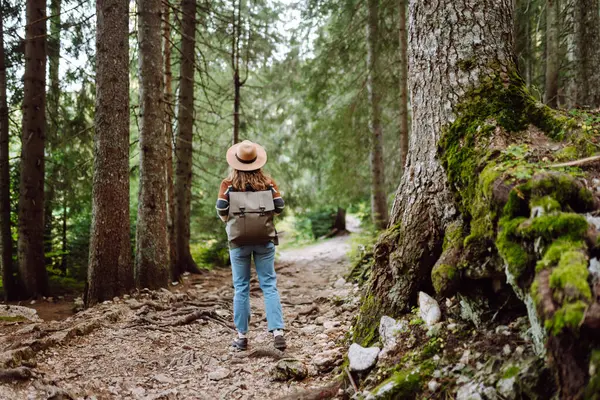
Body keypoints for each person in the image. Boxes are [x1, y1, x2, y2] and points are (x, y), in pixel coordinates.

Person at [216, 140, 286, 351]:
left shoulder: (228, 184)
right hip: (264, 239)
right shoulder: (268, 183)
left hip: (238, 242)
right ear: (257, 162)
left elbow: (221, 209)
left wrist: (231, 221)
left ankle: (242, 336)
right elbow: (280, 206)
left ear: (236, 163)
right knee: (269, 285)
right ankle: (278, 333)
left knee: (241, 287)